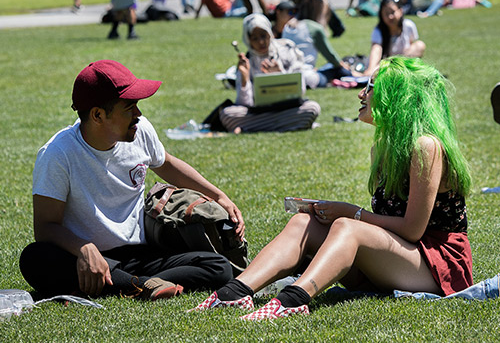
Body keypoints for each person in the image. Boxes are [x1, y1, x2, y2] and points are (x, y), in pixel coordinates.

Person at [192, 56, 473, 319]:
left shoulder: (426, 147)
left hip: (437, 266)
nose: (361, 94)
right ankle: (235, 292)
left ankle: (293, 301)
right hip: (399, 259)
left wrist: (353, 214)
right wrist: (338, 214)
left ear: (398, 98)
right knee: (303, 221)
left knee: (347, 228)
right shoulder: (381, 149)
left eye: (371, 88)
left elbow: (413, 230)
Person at [19, 60, 244, 300]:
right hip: (87, 257)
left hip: (143, 254)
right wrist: (85, 249)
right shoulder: (58, 154)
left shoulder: (140, 130)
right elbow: (45, 227)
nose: (138, 113)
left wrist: (219, 196)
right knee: (35, 258)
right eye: (129, 107)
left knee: (219, 266)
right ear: (98, 115)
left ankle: (131, 284)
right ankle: (140, 285)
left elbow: (166, 163)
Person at [219, 14, 321, 133]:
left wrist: (280, 73)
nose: (261, 42)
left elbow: (300, 90)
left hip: (287, 108)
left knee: (312, 108)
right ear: (248, 41)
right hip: (260, 111)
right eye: (255, 39)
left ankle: (255, 128)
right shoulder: (248, 61)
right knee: (227, 114)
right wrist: (244, 79)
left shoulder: (286, 50)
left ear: (270, 34)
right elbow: (244, 104)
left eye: (263, 36)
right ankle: (286, 125)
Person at [281, 0, 356, 87]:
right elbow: (331, 57)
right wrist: (344, 66)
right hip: (307, 78)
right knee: (339, 69)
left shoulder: (288, 25)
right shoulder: (314, 28)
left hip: (288, 75)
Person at [364, 0, 426, 76]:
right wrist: (371, 68)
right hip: (386, 66)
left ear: (400, 11)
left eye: (392, 12)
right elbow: (376, 49)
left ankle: (400, 69)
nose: (390, 16)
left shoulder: (409, 25)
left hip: (404, 63)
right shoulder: (378, 30)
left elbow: (411, 49)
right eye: (386, 14)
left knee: (420, 45)